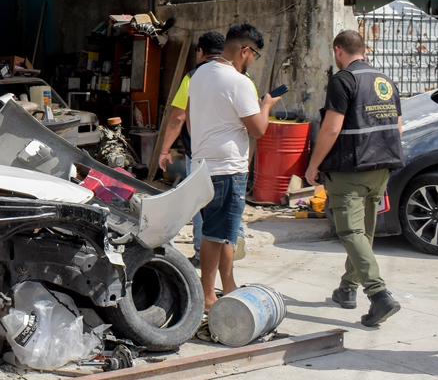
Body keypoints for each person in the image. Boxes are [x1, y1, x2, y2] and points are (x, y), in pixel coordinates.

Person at [304, 30, 404, 328]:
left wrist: (313, 166)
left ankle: (378, 294)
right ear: (365, 49)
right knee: (364, 233)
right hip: (381, 168)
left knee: (351, 232)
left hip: (350, 170)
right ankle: (347, 288)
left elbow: (331, 128)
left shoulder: (343, 80)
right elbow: (398, 126)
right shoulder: (385, 80)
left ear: (339, 50)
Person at [188, 23, 281, 311]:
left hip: (203, 165)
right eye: (255, 55)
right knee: (215, 236)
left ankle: (228, 286)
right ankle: (207, 296)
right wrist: (267, 105)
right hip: (226, 169)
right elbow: (258, 129)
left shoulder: (199, 74)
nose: (253, 60)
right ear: (244, 50)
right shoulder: (239, 82)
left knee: (225, 232)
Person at [158, 31, 226, 264]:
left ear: (200, 52)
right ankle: (226, 251)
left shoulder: (193, 77)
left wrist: (165, 150)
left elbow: (178, 117)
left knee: (199, 202)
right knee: (226, 203)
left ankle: (201, 254)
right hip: (229, 155)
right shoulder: (238, 76)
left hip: (199, 153)